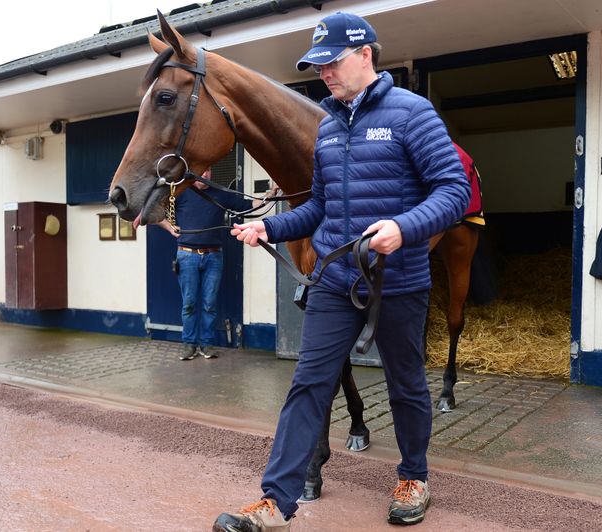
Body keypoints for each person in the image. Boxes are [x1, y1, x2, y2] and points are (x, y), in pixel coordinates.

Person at [214, 12, 469, 531]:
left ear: (366, 55)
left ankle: (414, 477)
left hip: (397, 281)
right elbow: (321, 211)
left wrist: (404, 226)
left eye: (333, 61)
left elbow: (453, 191)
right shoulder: (328, 130)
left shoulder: (412, 114)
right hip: (335, 281)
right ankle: (274, 502)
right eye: (318, 65)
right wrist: (271, 229)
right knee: (309, 383)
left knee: (405, 384)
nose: (325, 72)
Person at [163, 169, 252, 361]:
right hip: (187, 255)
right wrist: (168, 226)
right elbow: (155, 209)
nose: (204, 174)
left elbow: (248, 206)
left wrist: (271, 195)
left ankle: (207, 345)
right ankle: (189, 345)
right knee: (189, 304)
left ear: (211, 172)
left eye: (208, 170)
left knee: (209, 304)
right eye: (200, 171)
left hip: (214, 256)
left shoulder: (220, 193)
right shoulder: (179, 192)